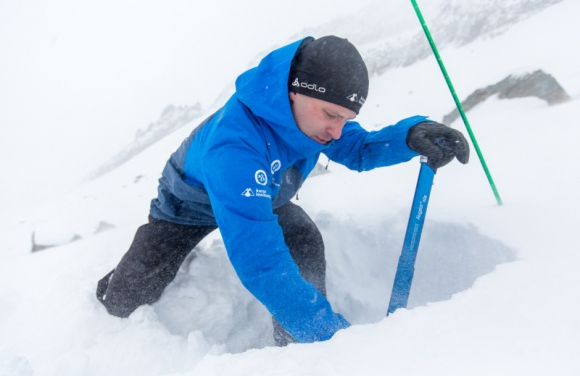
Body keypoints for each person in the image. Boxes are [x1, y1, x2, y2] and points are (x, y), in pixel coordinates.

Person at [96, 35, 469, 345]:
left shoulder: (314, 119)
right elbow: (261, 261)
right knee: (124, 299)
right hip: (189, 203)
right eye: (331, 115)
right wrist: (331, 337)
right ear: (293, 92)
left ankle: (297, 347)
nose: (337, 131)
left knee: (304, 239)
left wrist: (409, 136)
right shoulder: (235, 146)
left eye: (346, 119)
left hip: (265, 196)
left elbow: (358, 148)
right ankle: (312, 333)